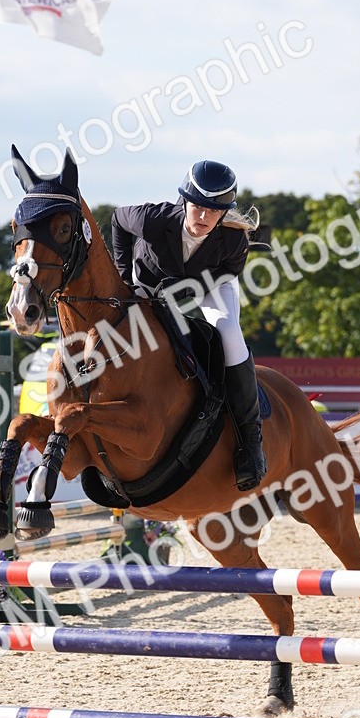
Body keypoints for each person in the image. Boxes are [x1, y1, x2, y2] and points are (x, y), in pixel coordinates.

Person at [111, 160, 266, 490]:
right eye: (197, 207)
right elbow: (117, 220)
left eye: (213, 211)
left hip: (209, 285)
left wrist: (187, 294)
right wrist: (124, 276)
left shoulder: (233, 241)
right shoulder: (153, 219)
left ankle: (251, 442)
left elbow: (226, 275)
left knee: (228, 332)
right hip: (149, 285)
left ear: (223, 213)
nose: (203, 218)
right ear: (185, 201)